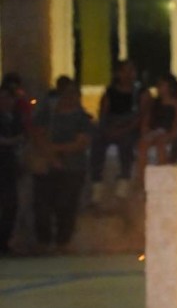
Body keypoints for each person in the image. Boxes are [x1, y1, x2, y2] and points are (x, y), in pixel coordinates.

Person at [31, 80, 92, 252]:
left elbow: (81, 143)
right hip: (46, 167)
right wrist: (51, 157)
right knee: (42, 206)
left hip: (73, 168)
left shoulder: (82, 117)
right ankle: (43, 242)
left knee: (66, 206)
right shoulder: (47, 112)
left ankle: (62, 243)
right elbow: (37, 134)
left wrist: (56, 149)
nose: (70, 97)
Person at [89, 59, 148, 203]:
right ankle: (96, 184)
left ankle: (124, 182)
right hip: (111, 125)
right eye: (125, 71)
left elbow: (142, 116)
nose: (129, 74)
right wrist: (108, 129)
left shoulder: (140, 92)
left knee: (126, 144)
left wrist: (124, 129)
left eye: (131, 71)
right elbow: (103, 113)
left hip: (130, 128)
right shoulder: (110, 92)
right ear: (118, 73)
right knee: (97, 142)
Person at [136, 74, 177, 178]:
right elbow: (146, 120)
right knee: (143, 145)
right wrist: (145, 131)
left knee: (160, 144)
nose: (158, 87)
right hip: (154, 131)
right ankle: (142, 178)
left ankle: (162, 176)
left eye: (161, 85)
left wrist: (172, 134)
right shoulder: (154, 103)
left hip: (167, 132)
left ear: (170, 87)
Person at [0, 86, 26, 255]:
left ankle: (4, 242)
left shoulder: (16, 118)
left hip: (10, 168)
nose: (5, 102)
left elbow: (23, 137)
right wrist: (11, 141)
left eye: (8, 98)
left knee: (11, 206)